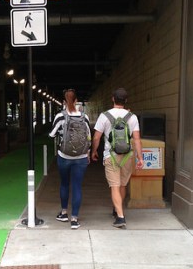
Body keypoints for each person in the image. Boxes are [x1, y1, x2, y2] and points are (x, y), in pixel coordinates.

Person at [91, 88, 143, 229]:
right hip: (127, 156)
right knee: (122, 185)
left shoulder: (104, 116)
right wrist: (140, 157)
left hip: (110, 155)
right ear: (126, 100)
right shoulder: (132, 117)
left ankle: (120, 217)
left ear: (113, 98)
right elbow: (137, 139)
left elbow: (96, 137)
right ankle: (118, 209)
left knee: (114, 186)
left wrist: (93, 151)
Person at [48, 89, 91, 229]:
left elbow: (52, 135)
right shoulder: (85, 117)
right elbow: (88, 137)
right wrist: (88, 153)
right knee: (77, 186)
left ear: (63, 101)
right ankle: (74, 219)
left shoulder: (60, 116)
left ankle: (64, 213)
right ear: (76, 100)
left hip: (64, 156)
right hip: (82, 157)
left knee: (65, 184)